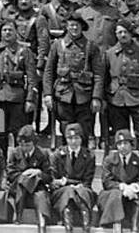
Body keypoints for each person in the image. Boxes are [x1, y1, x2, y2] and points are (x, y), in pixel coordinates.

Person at [97, 19, 139, 157]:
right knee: (121, 135)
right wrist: (102, 99)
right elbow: (103, 78)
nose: (122, 35)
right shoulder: (109, 54)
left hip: (138, 99)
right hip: (116, 99)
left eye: (125, 32)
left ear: (131, 33)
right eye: (119, 32)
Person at [42, 12, 102, 145]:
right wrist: (47, 94)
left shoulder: (91, 46)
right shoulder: (57, 45)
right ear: (67, 27)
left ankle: (83, 159)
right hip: (63, 94)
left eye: (77, 26)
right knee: (65, 128)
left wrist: (96, 97)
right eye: (72, 25)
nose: (74, 28)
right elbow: (49, 71)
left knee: (84, 129)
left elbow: (98, 74)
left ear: (82, 27)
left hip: (84, 95)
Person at [0, 19, 38, 154]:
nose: (7, 33)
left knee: (19, 134)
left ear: (16, 32)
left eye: (10, 30)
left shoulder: (24, 52)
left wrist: (30, 99)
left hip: (17, 101)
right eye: (4, 30)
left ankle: (19, 164)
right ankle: (0, 165)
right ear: (0, 33)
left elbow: (32, 78)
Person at [49, 123, 97, 233]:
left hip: (82, 189)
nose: (73, 142)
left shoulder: (89, 155)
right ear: (66, 139)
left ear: (81, 139)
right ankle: (68, 229)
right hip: (62, 191)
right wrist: (68, 185)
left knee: (82, 192)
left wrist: (68, 182)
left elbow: (87, 180)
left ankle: (86, 230)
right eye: (70, 138)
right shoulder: (58, 155)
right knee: (68, 192)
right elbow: (54, 180)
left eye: (76, 138)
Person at [7, 125, 54, 233]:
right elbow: (10, 173)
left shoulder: (43, 154)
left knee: (41, 196)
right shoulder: (15, 152)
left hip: (38, 188)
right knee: (25, 180)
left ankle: (42, 230)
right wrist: (24, 175)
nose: (24, 148)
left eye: (27, 145)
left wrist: (38, 173)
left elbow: (49, 176)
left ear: (34, 143)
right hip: (19, 189)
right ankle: (18, 215)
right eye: (22, 145)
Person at [98, 128, 139, 233]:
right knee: (115, 195)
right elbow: (106, 181)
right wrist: (122, 187)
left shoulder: (138, 160)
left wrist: (134, 187)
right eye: (119, 144)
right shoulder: (110, 160)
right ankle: (117, 227)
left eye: (125, 143)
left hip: (132, 193)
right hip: (113, 193)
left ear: (131, 145)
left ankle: (135, 229)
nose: (122, 147)